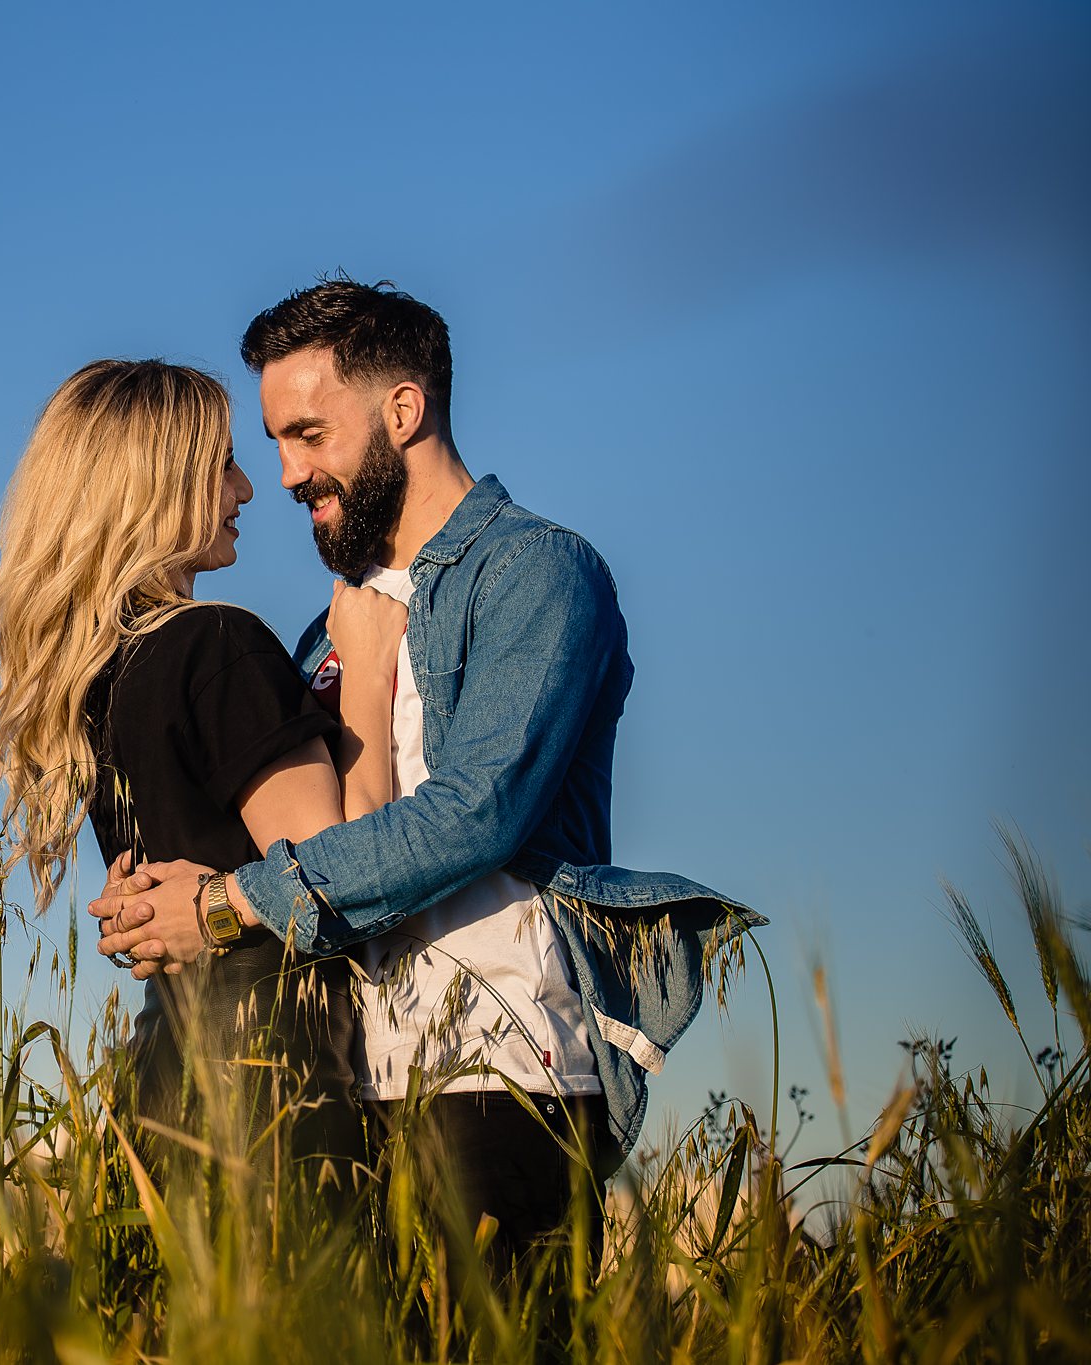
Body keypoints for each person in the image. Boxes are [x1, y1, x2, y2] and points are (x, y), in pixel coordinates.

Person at [92, 279, 764, 1275]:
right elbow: (314, 840)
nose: (282, 474)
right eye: (274, 442)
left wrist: (228, 904)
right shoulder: (328, 630)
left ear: (403, 410)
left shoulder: (531, 570)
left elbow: (474, 814)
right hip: (349, 1089)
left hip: (497, 1077)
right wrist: (155, 898)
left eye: (308, 434)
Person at [0, 358, 403, 1196]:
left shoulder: (94, 680)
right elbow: (340, 876)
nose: (248, 488)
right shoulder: (216, 643)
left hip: (163, 1083)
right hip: (276, 1091)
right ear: (159, 486)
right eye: (224, 464)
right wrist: (373, 672)